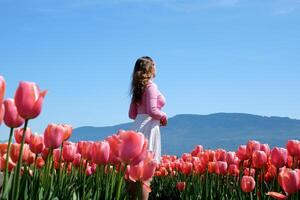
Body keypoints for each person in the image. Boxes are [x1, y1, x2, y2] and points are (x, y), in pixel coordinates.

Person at [128, 56, 167, 200]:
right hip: (148, 129)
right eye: (155, 65)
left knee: (134, 173)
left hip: (137, 127)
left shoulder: (137, 88)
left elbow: (132, 114)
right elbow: (152, 111)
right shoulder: (151, 86)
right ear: (149, 69)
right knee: (145, 176)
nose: (156, 68)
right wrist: (163, 116)